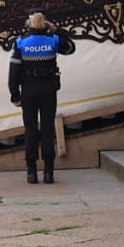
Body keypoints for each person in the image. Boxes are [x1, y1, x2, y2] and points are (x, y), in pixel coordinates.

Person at [8, 12, 75, 184]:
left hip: (28, 91)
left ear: (28, 24)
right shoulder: (53, 41)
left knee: (30, 130)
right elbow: (70, 48)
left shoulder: (21, 43)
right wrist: (57, 30)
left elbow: (14, 72)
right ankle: (48, 173)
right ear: (45, 24)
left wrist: (14, 94)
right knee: (47, 128)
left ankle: (31, 173)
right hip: (48, 90)